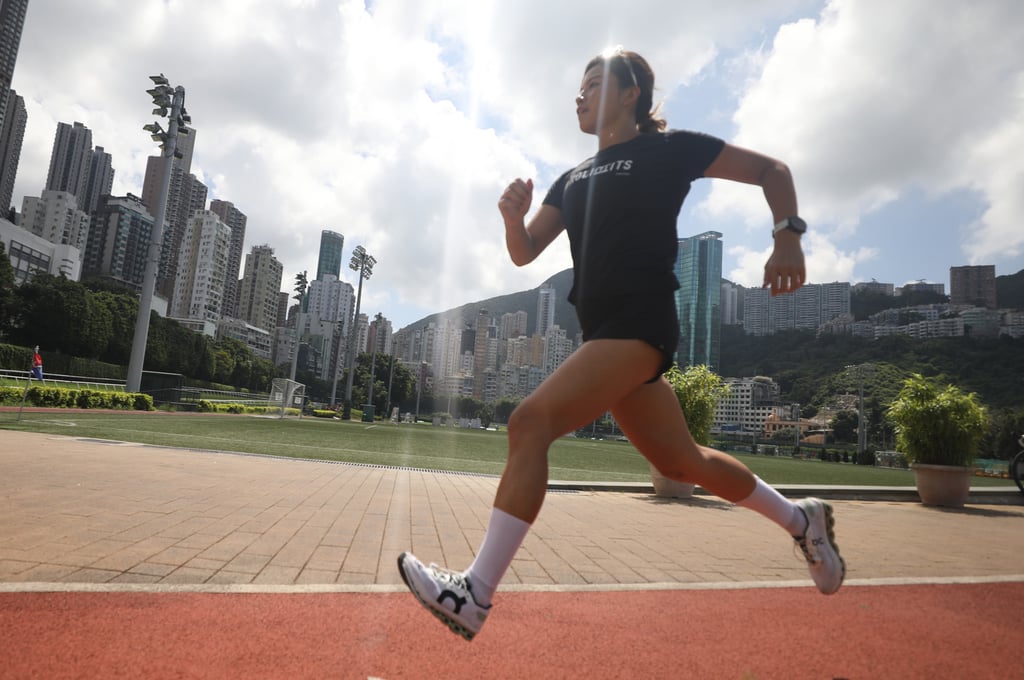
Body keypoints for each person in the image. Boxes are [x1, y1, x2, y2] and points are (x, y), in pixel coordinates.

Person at [398, 47, 844, 641]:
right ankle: (800, 519)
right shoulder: (571, 179)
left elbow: (774, 171)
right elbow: (525, 252)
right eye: (579, 87)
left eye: (593, 83)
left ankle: (475, 593)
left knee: (529, 423)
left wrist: (787, 235)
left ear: (631, 93)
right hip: (602, 332)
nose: (579, 96)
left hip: (640, 322)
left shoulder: (669, 149)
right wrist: (512, 219)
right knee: (682, 463)